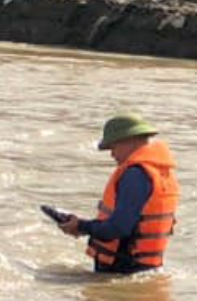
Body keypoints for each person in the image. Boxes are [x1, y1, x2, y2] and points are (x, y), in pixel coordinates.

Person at [59, 113, 180, 273]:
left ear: (129, 141)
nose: (112, 154)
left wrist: (81, 226)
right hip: (145, 270)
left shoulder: (135, 175)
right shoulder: (161, 172)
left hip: (121, 270)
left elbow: (118, 228)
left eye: (113, 147)